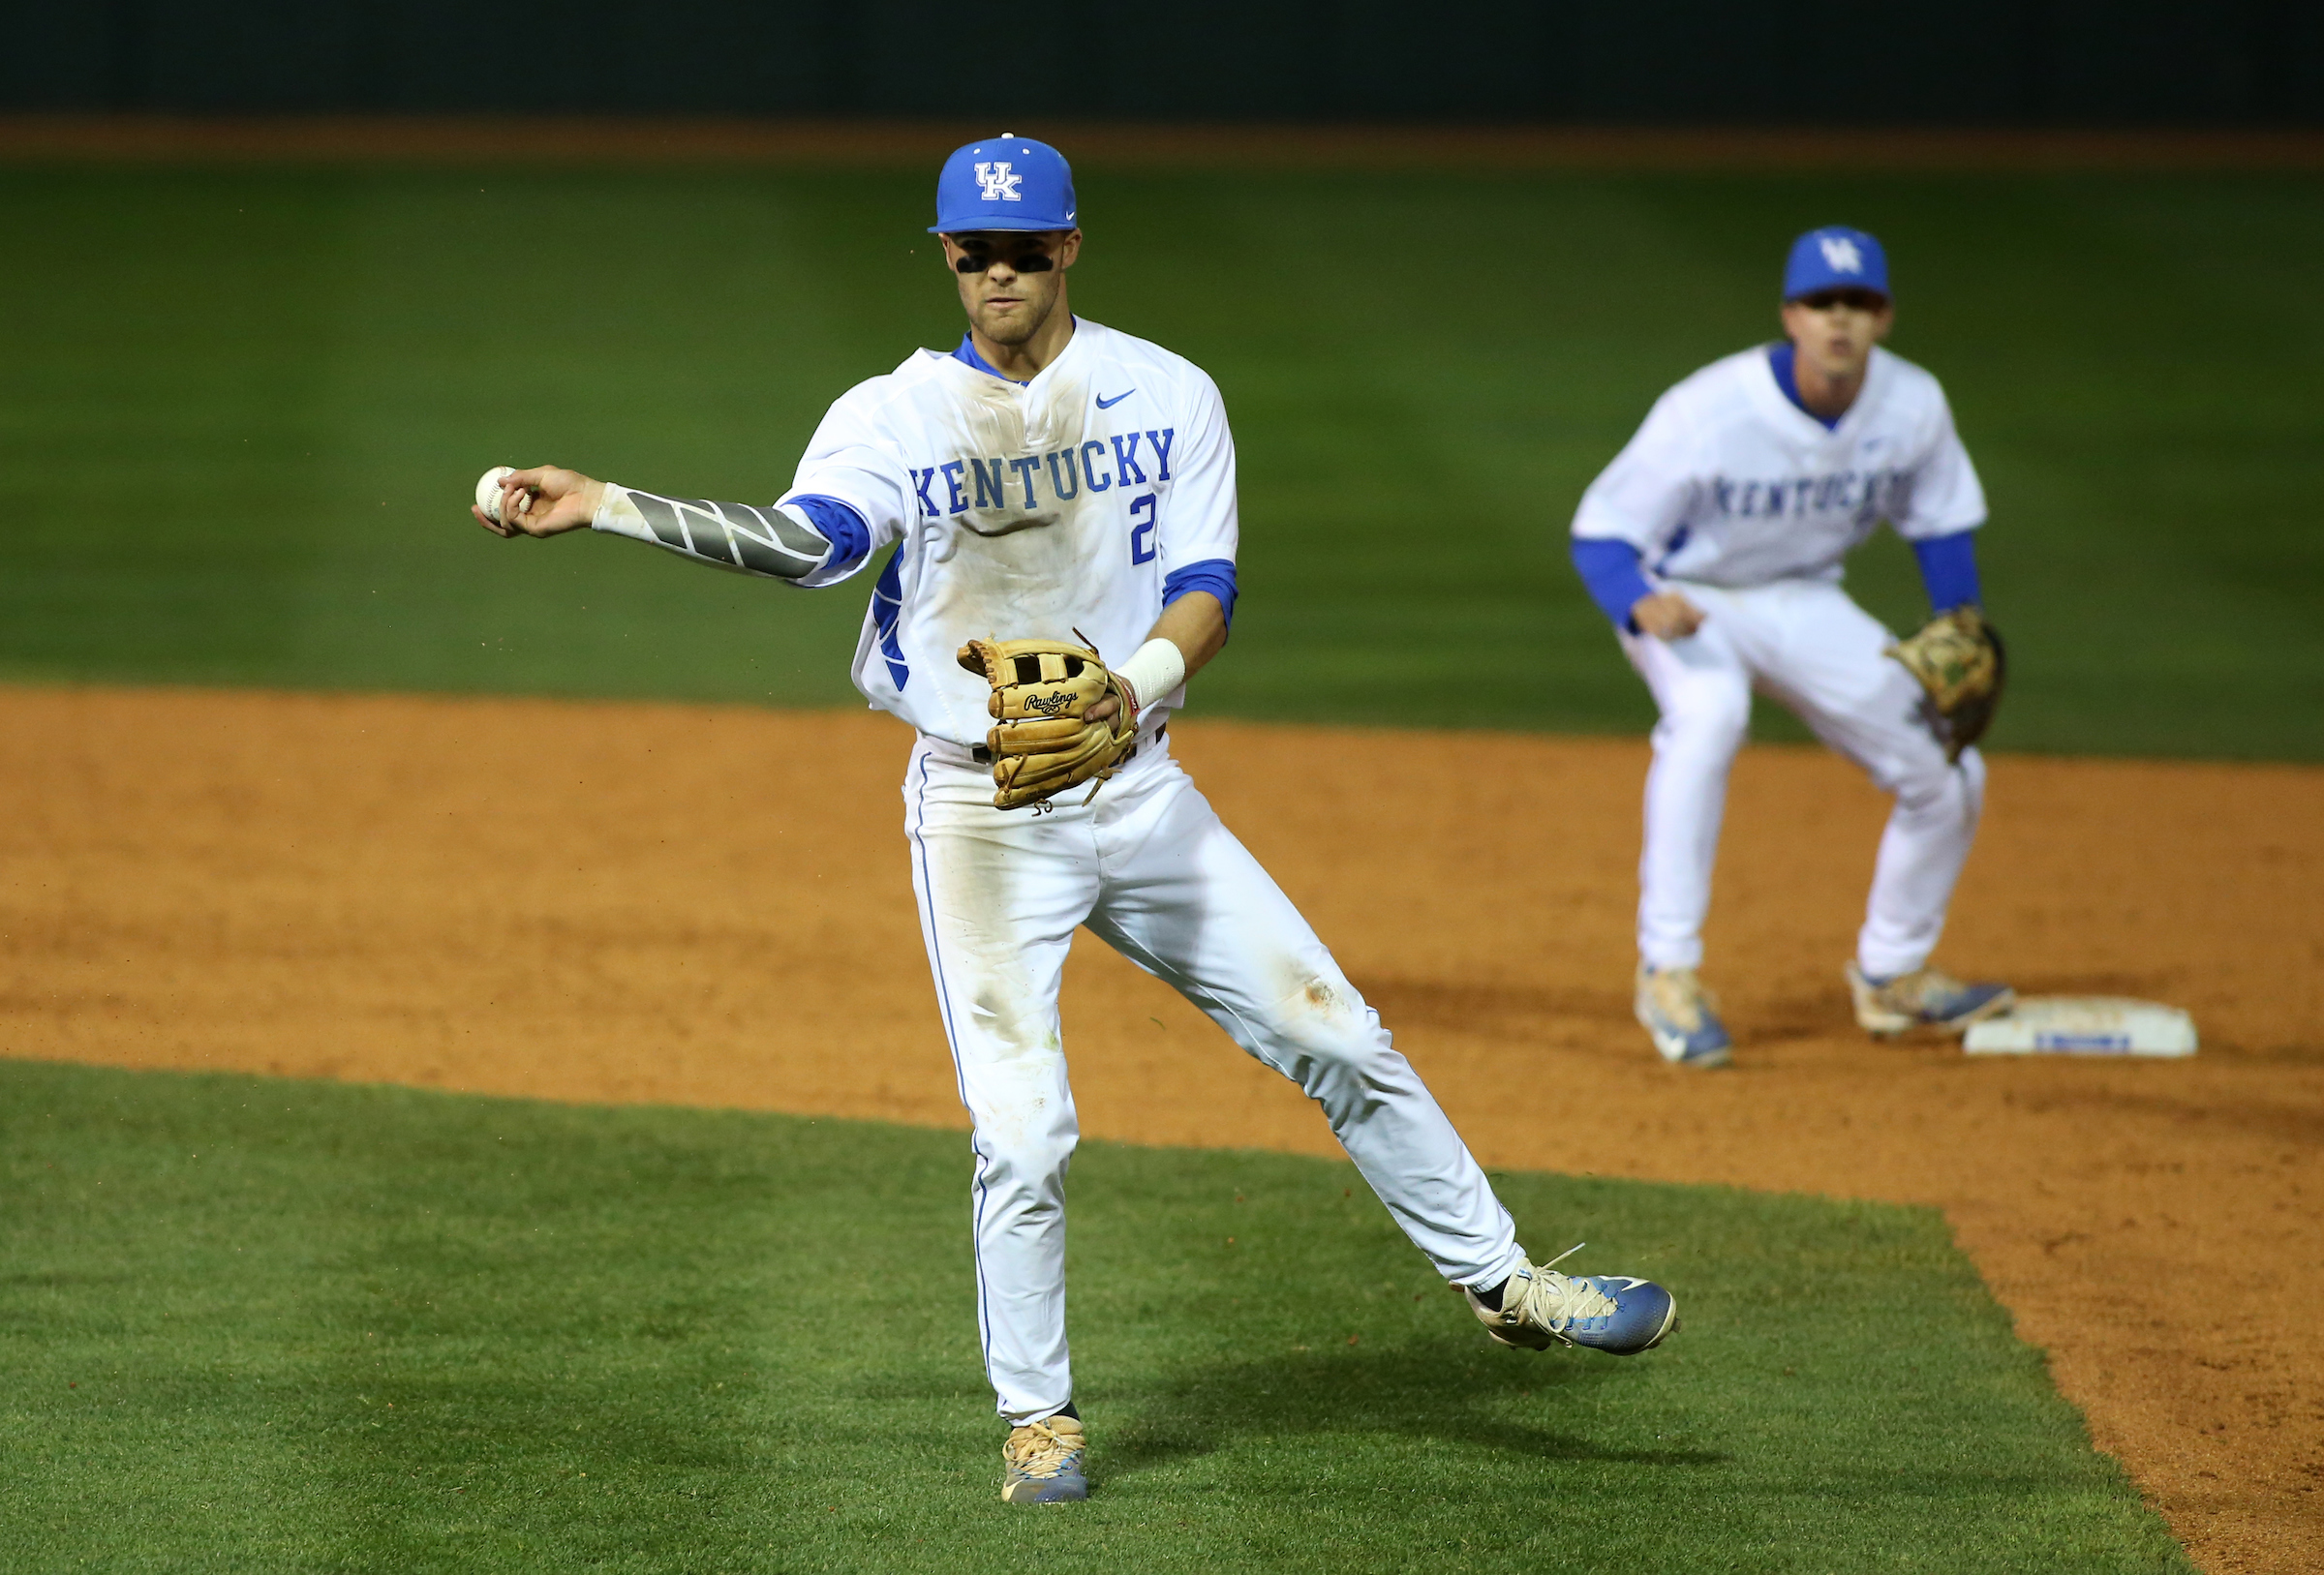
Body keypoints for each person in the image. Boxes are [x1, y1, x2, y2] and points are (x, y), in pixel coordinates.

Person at [472, 135, 1677, 1502]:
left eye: (1025, 248)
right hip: (982, 812)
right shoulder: (893, 415)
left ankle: (1505, 1279)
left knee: (1335, 1025)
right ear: (943, 255)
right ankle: (1037, 1417)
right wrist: (612, 503)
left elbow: (1207, 588)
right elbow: (815, 546)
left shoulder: (1171, 391)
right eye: (975, 250)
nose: (1000, 272)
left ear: (1071, 247)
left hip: (1142, 786)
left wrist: (1132, 687)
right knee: (1027, 1129)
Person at [1570, 227, 2015, 1070]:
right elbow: (1599, 534)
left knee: (1947, 767)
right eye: (1821, 304)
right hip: (1692, 600)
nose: (1838, 321)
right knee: (1709, 716)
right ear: (1790, 316)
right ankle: (1668, 970)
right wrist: (1638, 601)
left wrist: (1960, 618)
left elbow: (1942, 521)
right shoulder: (1710, 409)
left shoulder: (1914, 402)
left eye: (1857, 304)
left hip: (1808, 600)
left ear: (1883, 318)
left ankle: (1891, 971)